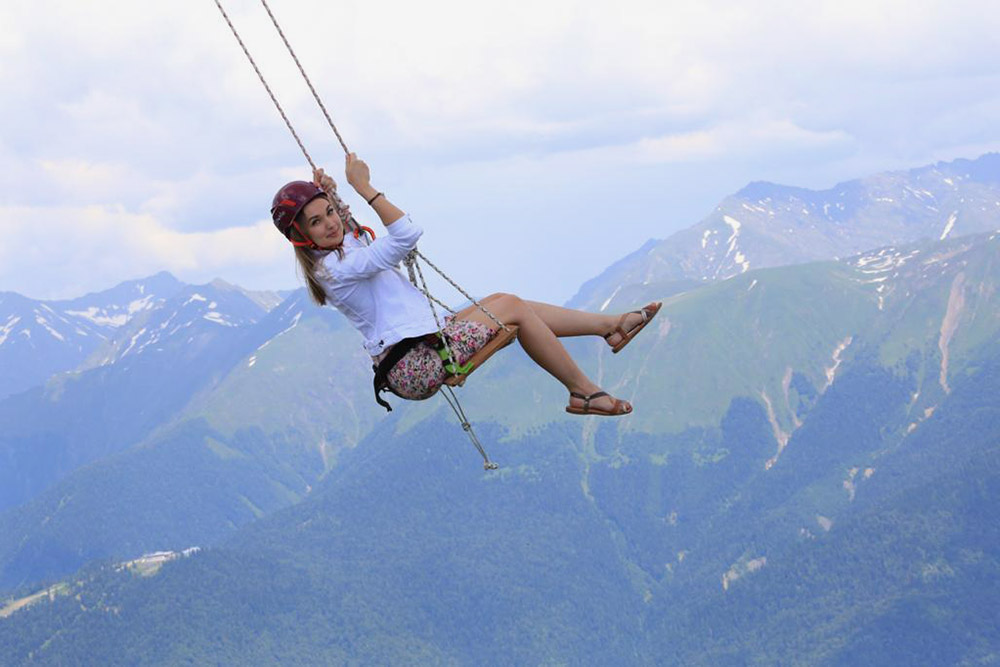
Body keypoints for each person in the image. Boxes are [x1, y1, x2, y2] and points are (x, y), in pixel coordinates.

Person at [271, 152, 660, 416]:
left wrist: (334, 193)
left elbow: (349, 229)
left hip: (418, 349)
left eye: (327, 213)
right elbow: (406, 234)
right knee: (510, 306)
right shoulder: (336, 269)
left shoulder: (337, 253)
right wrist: (365, 188)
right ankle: (583, 392)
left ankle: (611, 327)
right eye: (317, 222)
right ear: (301, 237)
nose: (330, 223)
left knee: (506, 302)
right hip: (415, 364)